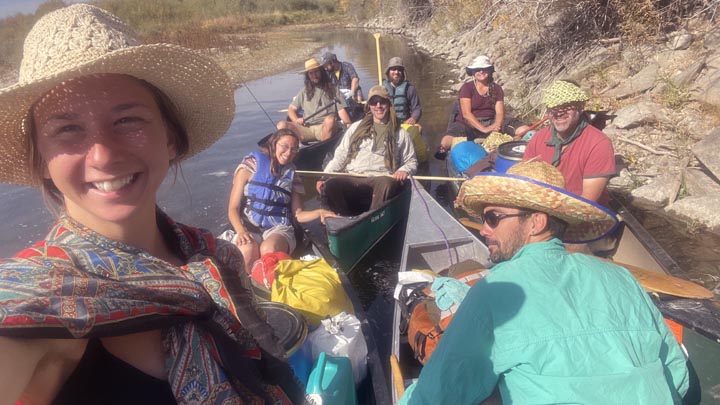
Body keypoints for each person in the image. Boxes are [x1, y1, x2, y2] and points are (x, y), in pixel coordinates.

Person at [0, 5, 304, 404]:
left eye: (128, 120)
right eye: (67, 128)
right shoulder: (38, 306)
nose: (103, 156)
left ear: (171, 138)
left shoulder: (216, 259)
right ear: (41, 160)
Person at [400, 161, 689, 404]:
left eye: (493, 217)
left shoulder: (496, 290)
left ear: (536, 223)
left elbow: (439, 391)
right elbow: (679, 376)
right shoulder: (622, 278)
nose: (484, 229)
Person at [227, 128, 338, 271]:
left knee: (269, 250)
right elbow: (233, 208)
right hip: (249, 225)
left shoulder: (292, 176)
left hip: (279, 228)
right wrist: (241, 231)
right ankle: (250, 287)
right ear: (274, 144)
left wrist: (319, 212)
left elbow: (298, 214)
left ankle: (270, 283)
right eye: (284, 146)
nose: (288, 153)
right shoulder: (250, 165)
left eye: (294, 149)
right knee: (247, 253)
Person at [316, 85, 417, 216]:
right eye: (374, 102)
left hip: (380, 179)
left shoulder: (401, 133)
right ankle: (342, 217)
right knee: (330, 185)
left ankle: (373, 217)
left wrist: (404, 170)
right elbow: (340, 156)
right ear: (369, 105)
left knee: (387, 183)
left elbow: (411, 161)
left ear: (389, 104)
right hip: (353, 176)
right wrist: (324, 176)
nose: (378, 105)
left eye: (382, 101)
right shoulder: (354, 128)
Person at [523, 79, 616, 207]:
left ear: (580, 106)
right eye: (553, 107)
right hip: (542, 206)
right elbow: (525, 182)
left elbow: (587, 202)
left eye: (566, 106)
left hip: (580, 213)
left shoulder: (599, 144)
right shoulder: (538, 139)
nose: (559, 112)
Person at [436, 55, 527, 159]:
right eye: (477, 70)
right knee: (450, 137)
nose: (481, 72)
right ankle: (442, 151)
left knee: (520, 128)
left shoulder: (496, 89)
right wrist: (483, 129)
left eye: (484, 69)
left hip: (490, 121)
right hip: (468, 123)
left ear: (489, 70)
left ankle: (530, 145)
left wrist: (496, 127)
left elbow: (500, 112)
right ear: (473, 73)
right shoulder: (467, 88)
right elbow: (466, 114)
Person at [277, 57, 352, 142]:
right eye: (311, 73)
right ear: (308, 76)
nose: (314, 75)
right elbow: (291, 109)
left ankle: (324, 146)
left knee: (330, 120)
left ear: (321, 72)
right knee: (281, 125)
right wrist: (296, 120)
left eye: (316, 71)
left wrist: (349, 125)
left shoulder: (334, 89)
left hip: (325, 127)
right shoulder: (304, 91)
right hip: (307, 128)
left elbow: (341, 110)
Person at [382, 56, 422, 126]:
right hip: (386, 124)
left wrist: (413, 118)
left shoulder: (410, 89)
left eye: (399, 70)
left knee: (419, 128)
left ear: (403, 72)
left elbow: (417, 108)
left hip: (404, 124)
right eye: (393, 69)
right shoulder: (381, 88)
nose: (396, 72)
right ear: (388, 72)